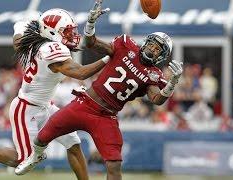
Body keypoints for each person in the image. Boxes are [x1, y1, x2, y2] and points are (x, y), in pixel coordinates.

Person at [15, 1, 183, 180]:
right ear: (146, 42)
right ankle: (34, 156)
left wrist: (172, 83)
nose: (152, 49)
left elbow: (157, 99)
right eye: (152, 44)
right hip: (84, 104)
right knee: (42, 138)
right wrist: (91, 24)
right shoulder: (126, 46)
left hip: (106, 116)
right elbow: (91, 43)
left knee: (114, 164)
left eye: (158, 49)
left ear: (162, 56)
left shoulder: (154, 75)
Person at [0, 8, 111, 180]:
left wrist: (20, 27)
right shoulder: (52, 50)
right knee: (22, 159)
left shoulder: (36, 41)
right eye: (67, 32)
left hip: (46, 106)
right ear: (52, 32)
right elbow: (81, 73)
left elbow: (18, 39)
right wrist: (109, 59)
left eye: (72, 31)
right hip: (26, 109)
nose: (72, 35)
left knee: (74, 144)